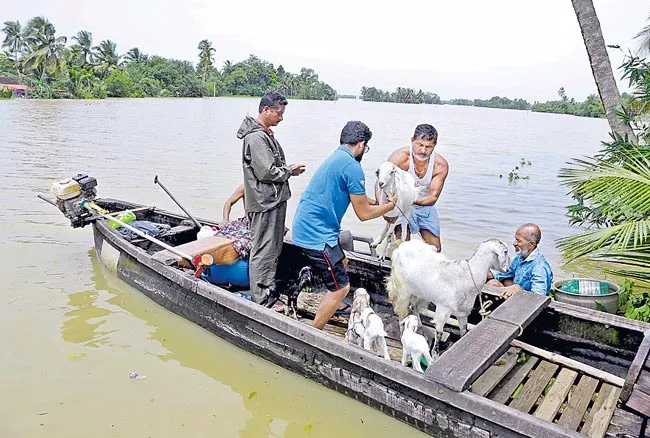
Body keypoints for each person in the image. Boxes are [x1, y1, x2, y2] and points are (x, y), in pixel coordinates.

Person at [292, 121, 398, 329]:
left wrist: (377, 201)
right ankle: (315, 333)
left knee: (343, 262)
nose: (364, 151)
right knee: (341, 288)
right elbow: (364, 214)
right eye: (365, 147)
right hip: (317, 236)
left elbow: (358, 198)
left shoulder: (337, 157)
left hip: (307, 227)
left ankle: (333, 307)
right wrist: (390, 207)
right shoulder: (353, 167)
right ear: (361, 145)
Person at [237, 92, 306, 300]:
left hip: (272, 200)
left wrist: (285, 170)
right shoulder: (256, 137)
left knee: (272, 247)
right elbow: (266, 171)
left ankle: (267, 290)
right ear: (266, 110)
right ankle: (261, 297)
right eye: (279, 112)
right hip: (264, 202)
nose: (281, 117)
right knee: (263, 250)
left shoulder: (263, 134)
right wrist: (289, 171)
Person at [379, 124, 448, 252]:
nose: (423, 151)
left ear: (435, 145)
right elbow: (380, 185)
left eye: (428, 147)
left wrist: (410, 199)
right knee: (402, 246)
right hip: (399, 205)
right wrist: (385, 209)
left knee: (436, 249)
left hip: (423, 205)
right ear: (412, 140)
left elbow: (433, 198)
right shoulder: (399, 158)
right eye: (419, 145)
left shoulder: (440, 165)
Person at [486, 223, 553, 298]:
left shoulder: (539, 267)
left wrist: (519, 289)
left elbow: (539, 296)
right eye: (515, 239)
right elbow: (505, 271)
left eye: (518, 241)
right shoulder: (519, 257)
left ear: (531, 244)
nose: (514, 243)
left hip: (529, 302)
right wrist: (488, 272)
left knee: (495, 284)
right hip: (519, 294)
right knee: (494, 283)